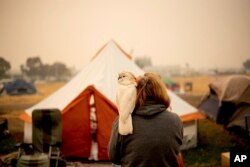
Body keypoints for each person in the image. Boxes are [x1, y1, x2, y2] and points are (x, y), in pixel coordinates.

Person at [108, 72, 183, 167]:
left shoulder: (123, 121)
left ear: (135, 93)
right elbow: (175, 151)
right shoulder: (176, 120)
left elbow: (113, 157)